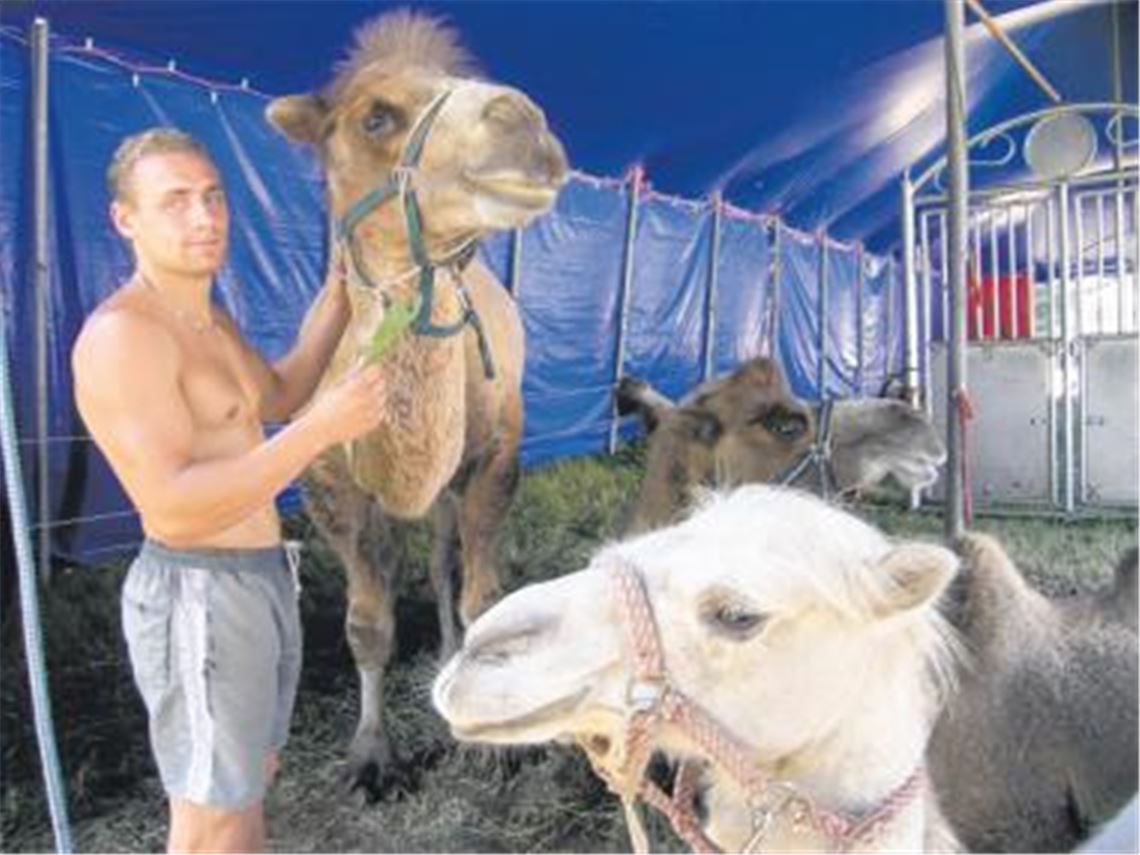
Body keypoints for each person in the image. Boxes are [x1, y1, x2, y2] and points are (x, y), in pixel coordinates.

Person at [71, 127, 386, 853]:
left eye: (212, 197)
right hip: (198, 594)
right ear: (127, 220)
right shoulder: (125, 335)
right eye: (174, 201)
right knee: (209, 814)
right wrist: (320, 431)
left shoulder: (206, 318)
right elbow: (172, 506)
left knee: (248, 780)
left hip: (261, 579)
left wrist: (341, 294)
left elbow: (278, 393)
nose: (203, 217)